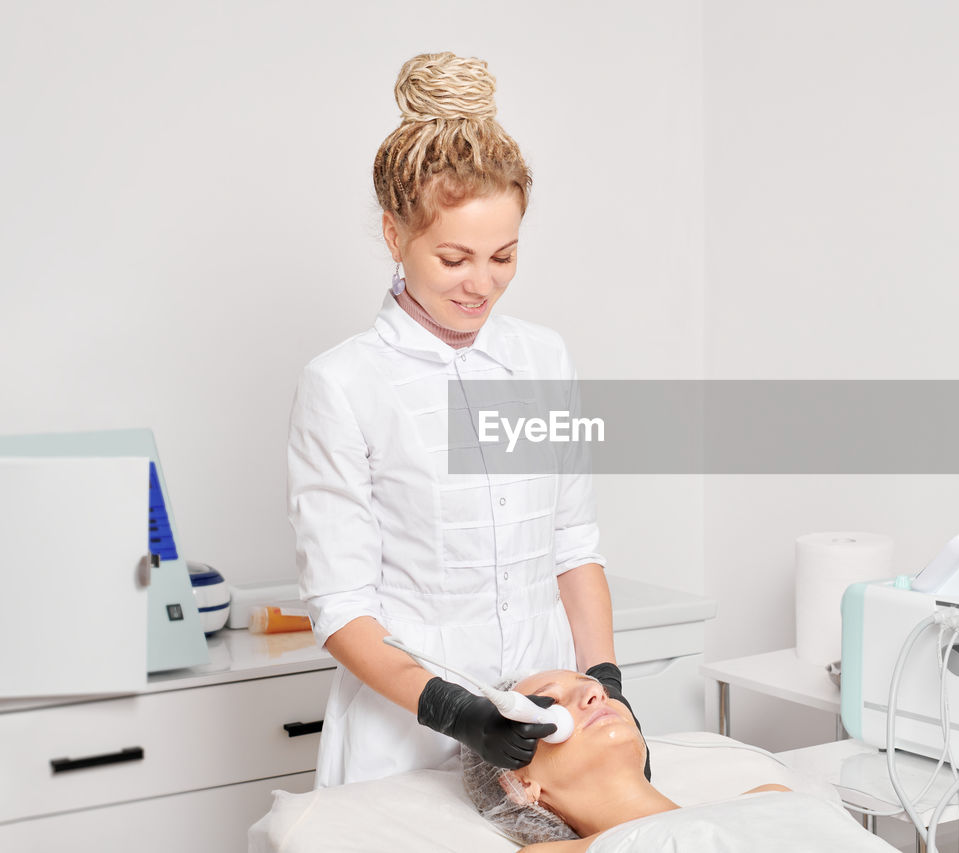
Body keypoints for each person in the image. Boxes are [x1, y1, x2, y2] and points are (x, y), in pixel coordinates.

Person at [287, 51, 643, 788]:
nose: (482, 284)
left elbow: (573, 545)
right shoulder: (345, 384)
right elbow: (342, 605)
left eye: (504, 255)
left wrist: (606, 681)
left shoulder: (543, 359)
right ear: (395, 236)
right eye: (454, 258)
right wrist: (456, 710)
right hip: (403, 741)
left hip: (546, 734)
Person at [462, 669, 894, 852]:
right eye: (550, 706)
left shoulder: (770, 794)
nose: (594, 693)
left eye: (590, 685)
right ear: (517, 783)